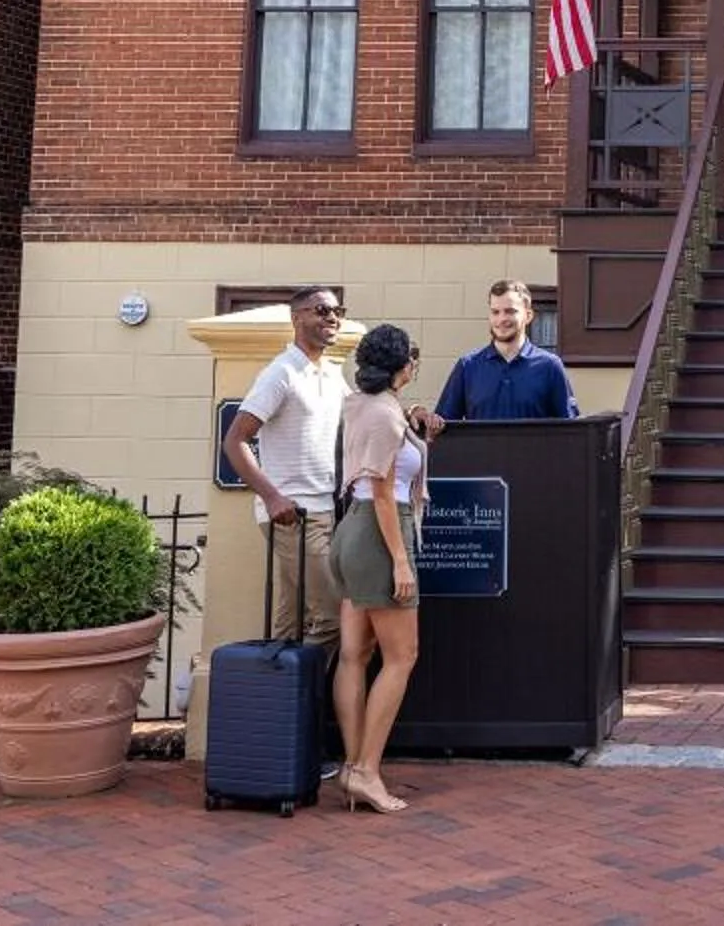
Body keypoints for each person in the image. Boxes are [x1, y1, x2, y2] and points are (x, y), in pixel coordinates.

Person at [330, 322, 427, 812]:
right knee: (402, 655)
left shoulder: (359, 403)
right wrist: (402, 561)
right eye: (412, 361)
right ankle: (367, 771)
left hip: (349, 531)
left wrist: (412, 418)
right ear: (402, 369)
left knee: (354, 654)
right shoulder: (388, 418)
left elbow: (382, 430)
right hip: (379, 533)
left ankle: (351, 766)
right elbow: (386, 494)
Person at [221, 285, 349, 649]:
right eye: (322, 310)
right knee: (332, 617)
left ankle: (278, 699)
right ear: (297, 318)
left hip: (323, 509)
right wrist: (273, 497)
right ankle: (309, 701)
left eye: (338, 310)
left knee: (291, 618)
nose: (332, 317)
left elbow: (362, 413)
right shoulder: (281, 373)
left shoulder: (331, 372)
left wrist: (410, 413)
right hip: (293, 515)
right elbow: (235, 440)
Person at [432, 278, 579, 423]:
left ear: (528, 316)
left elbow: (570, 430)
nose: (501, 319)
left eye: (510, 311)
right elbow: (444, 427)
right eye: (495, 312)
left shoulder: (550, 366)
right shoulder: (468, 366)